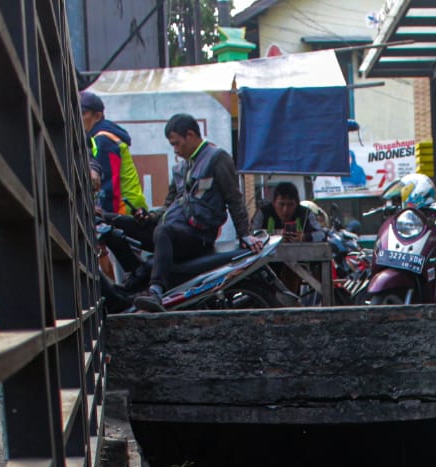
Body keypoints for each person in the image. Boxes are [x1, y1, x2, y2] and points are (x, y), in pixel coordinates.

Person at [133, 113, 253, 312]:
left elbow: (234, 198)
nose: (175, 150)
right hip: (179, 231)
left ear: (190, 135)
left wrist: (245, 234)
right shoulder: (182, 167)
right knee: (137, 230)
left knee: (163, 231)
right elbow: (169, 205)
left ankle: (156, 291)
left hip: (199, 235)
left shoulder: (216, 158)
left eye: (177, 143)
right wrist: (148, 217)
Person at [80, 91, 148, 216]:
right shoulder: (102, 136)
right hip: (130, 208)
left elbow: (108, 182)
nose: (79, 118)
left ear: (98, 116)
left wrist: (106, 215)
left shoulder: (103, 139)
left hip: (125, 209)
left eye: (83, 113)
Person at [251, 182, 325, 242]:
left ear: (297, 204)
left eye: (290, 205)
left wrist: (305, 237)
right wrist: (274, 236)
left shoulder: (306, 213)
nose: (285, 210)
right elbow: (251, 234)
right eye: (281, 204)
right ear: (273, 203)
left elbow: (322, 234)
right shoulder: (263, 213)